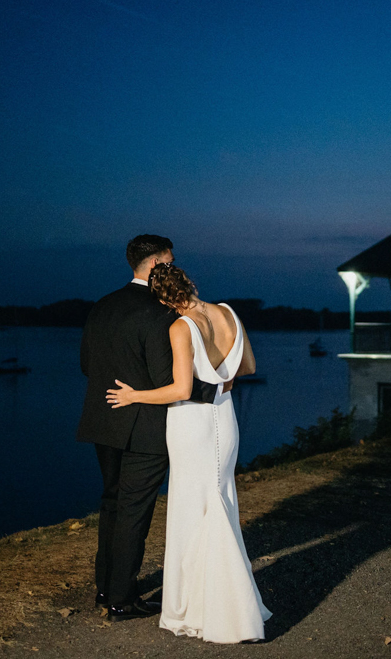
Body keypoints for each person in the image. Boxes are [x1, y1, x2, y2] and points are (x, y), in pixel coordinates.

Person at [106, 263, 272, 643]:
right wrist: (219, 382)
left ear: (164, 298)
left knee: (190, 509)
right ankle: (220, 600)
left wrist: (133, 395)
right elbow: (248, 366)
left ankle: (206, 609)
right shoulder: (228, 313)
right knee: (220, 500)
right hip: (225, 419)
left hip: (191, 425)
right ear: (190, 283)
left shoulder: (180, 327)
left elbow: (180, 390)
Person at [76, 235, 216, 621]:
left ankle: (105, 588)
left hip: (103, 421)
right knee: (134, 511)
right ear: (155, 265)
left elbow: (88, 365)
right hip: (145, 428)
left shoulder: (101, 306)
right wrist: (215, 387)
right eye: (170, 262)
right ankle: (123, 599)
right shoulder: (160, 312)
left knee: (112, 504)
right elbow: (166, 380)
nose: (173, 267)